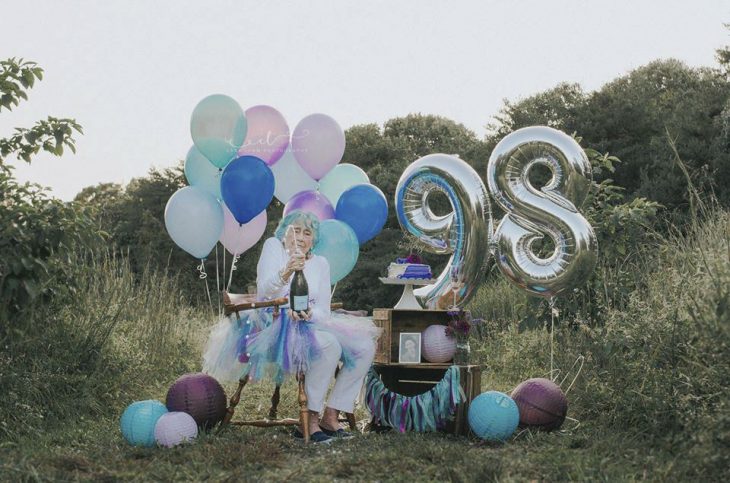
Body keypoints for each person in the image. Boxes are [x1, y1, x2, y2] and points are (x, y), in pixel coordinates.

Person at [203, 211, 379, 443]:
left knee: (365, 346)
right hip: (274, 322)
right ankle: (310, 420)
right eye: (295, 230)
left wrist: (308, 313)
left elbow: (324, 309)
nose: (301, 237)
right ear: (284, 232)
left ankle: (332, 413)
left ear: (313, 240)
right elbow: (265, 292)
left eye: (307, 233)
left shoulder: (320, 263)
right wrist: (287, 270)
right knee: (329, 346)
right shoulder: (273, 247)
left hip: (310, 320)